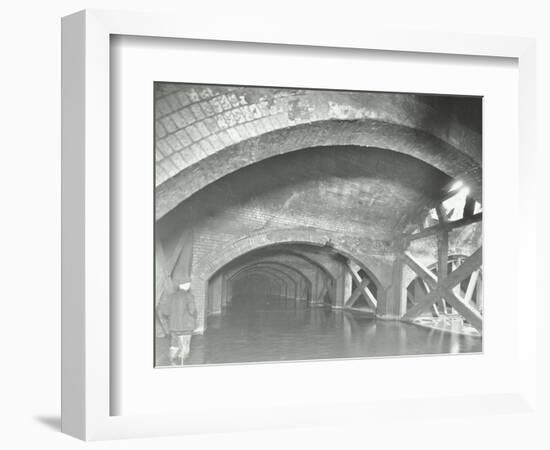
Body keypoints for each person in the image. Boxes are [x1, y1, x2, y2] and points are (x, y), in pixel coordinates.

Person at [162, 277, 198, 365]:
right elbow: (192, 310)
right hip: (186, 326)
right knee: (185, 345)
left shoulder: (171, 296)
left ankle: (171, 359)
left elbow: (165, 312)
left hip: (174, 326)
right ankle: (182, 362)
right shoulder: (189, 296)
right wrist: (194, 316)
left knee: (174, 343)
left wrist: (173, 317)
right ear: (187, 286)